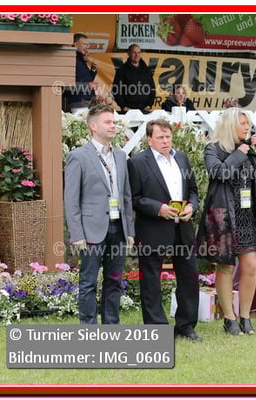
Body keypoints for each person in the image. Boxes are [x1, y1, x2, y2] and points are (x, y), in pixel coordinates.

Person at [197, 108, 256, 336]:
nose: (247, 127)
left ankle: (245, 316)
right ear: (230, 125)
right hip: (224, 216)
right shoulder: (214, 148)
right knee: (226, 267)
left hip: (247, 217)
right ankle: (229, 318)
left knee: (250, 267)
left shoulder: (247, 149)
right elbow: (218, 173)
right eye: (243, 123)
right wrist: (238, 154)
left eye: (248, 123)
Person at [127, 119, 202, 341]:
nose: (165, 141)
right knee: (151, 281)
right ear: (149, 140)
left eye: (168, 136)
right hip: (153, 228)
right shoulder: (138, 163)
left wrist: (192, 207)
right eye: (160, 137)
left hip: (183, 227)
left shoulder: (182, 158)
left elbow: (193, 191)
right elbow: (133, 198)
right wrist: (158, 208)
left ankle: (186, 326)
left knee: (189, 277)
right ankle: (156, 329)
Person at [64, 104, 135, 324]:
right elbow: (71, 200)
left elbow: (126, 196)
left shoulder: (121, 156)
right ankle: (88, 329)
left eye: (114, 122)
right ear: (93, 126)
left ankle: (111, 327)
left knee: (114, 281)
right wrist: (77, 234)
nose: (113, 126)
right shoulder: (78, 156)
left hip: (118, 228)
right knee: (88, 282)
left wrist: (129, 230)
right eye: (108, 122)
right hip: (90, 231)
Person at [112, 44, 156, 114]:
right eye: (134, 52)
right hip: (128, 110)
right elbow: (115, 89)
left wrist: (149, 105)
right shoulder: (121, 70)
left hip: (144, 109)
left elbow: (152, 88)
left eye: (139, 52)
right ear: (128, 53)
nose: (137, 55)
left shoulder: (147, 70)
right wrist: (123, 106)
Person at [63, 33, 98, 112]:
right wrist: (88, 85)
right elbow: (66, 86)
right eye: (85, 44)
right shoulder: (71, 60)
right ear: (75, 45)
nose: (87, 47)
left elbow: (86, 79)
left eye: (88, 45)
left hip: (89, 101)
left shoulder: (81, 60)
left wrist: (93, 70)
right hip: (78, 102)